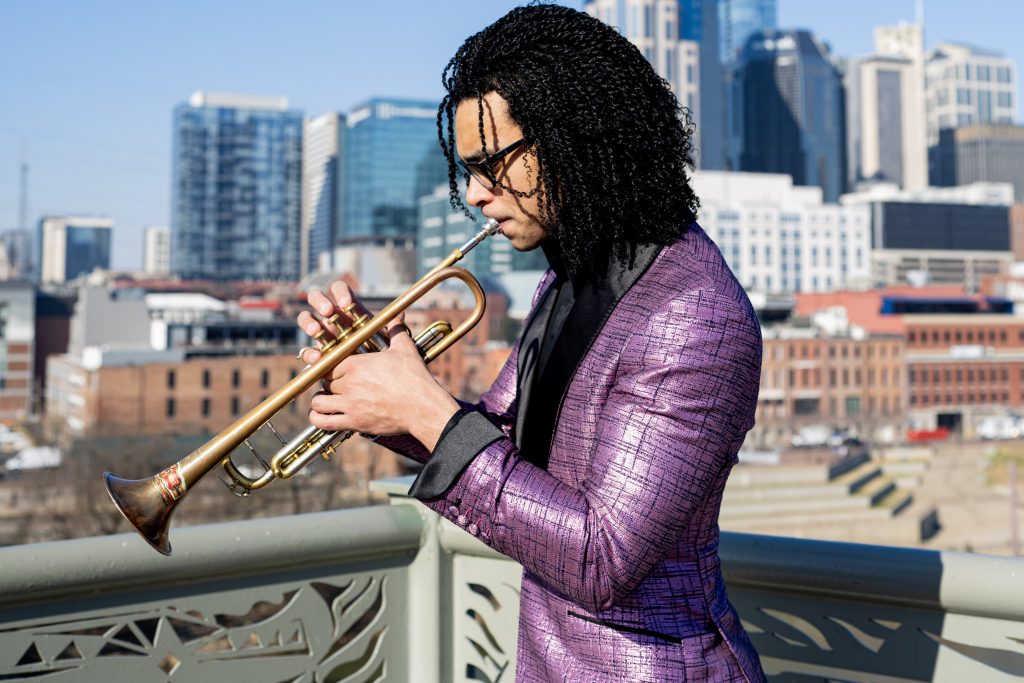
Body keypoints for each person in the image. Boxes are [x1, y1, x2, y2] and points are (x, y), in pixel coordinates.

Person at [298, 5, 765, 681]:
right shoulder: (572, 274)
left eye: (490, 165)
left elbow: (601, 560)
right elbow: (498, 445)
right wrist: (386, 388)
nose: (475, 194)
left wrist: (426, 411)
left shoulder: (692, 313)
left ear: (571, 135)